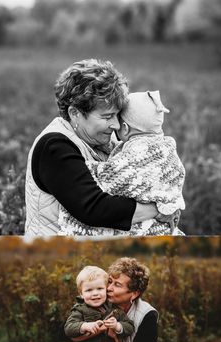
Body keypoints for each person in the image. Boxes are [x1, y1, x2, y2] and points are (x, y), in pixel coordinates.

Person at [25, 59, 179, 236]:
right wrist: (161, 208)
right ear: (74, 113)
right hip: (54, 256)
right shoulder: (54, 146)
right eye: (107, 117)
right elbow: (94, 208)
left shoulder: (103, 140)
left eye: (117, 116)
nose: (115, 125)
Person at [59, 90, 185, 236]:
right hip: (166, 228)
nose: (115, 126)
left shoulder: (139, 151)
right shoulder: (167, 147)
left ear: (125, 128)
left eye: (117, 119)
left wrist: (87, 167)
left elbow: (113, 177)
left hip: (144, 229)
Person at [77, 257, 162, 342]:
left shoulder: (147, 316)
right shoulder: (99, 301)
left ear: (134, 293)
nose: (109, 288)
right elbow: (65, 332)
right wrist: (102, 328)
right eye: (109, 281)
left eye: (117, 284)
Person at [64, 266, 135, 342]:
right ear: (81, 294)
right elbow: (68, 328)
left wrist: (117, 326)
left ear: (106, 289)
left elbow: (130, 326)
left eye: (100, 289)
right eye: (89, 290)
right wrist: (85, 326)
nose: (95, 293)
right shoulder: (79, 310)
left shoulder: (113, 309)